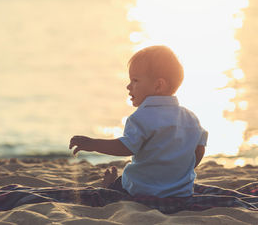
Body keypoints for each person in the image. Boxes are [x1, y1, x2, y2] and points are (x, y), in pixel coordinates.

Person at [69, 45, 208, 198]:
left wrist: (94, 144)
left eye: (135, 80)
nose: (128, 86)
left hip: (142, 190)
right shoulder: (191, 118)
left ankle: (109, 185)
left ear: (158, 85)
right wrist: (179, 172)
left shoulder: (141, 117)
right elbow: (200, 149)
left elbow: (126, 147)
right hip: (180, 192)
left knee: (120, 183)